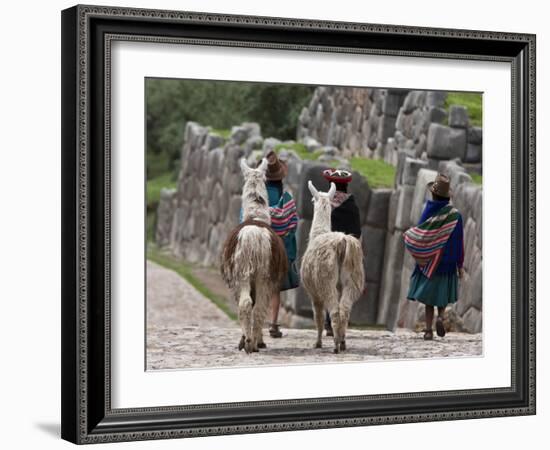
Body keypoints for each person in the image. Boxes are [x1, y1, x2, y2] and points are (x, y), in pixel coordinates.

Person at [240, 150, 299, 339]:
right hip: (277, 245)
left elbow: (243, 219)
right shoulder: (286, 197)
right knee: (273, 287)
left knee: (249, 283)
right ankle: (273, 324)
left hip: (252, 237)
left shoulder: (255, 197)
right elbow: (293, 224)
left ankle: (248, 327)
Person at [403, 173, 464, 340]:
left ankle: (429, 330)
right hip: (448, 263)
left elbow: (422, 233)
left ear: (433, 193)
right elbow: (459, 243)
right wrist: (460, 265)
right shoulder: (456, 216)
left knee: (429, 299)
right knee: (442, 295)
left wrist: (409, 237)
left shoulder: (429, 210)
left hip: (430, 262)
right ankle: (441, 316)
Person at [320, 168, 362, 337]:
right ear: (346, 187)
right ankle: (340, 320)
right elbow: (357, 232)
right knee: (344, 286)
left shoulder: (326, 205)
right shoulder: (352, 207)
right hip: (347, 252)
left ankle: (329, 322)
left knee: (329, 285)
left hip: (329, 250)